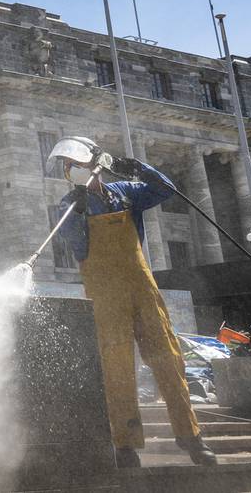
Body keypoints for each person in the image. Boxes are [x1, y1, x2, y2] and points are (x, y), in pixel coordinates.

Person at [52, 138, 217, 469]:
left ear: (94, 164)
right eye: (67, 167)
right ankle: (125, 445)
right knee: (116, 365)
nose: (71, 172)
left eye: (76, 165)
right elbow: (76, 245)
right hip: (104, 292)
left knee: (168, 359)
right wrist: (80, 211)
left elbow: (165, 189)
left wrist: (137, 167)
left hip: (142, 287)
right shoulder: (69, 206)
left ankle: (191, 437)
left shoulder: (126, 192)